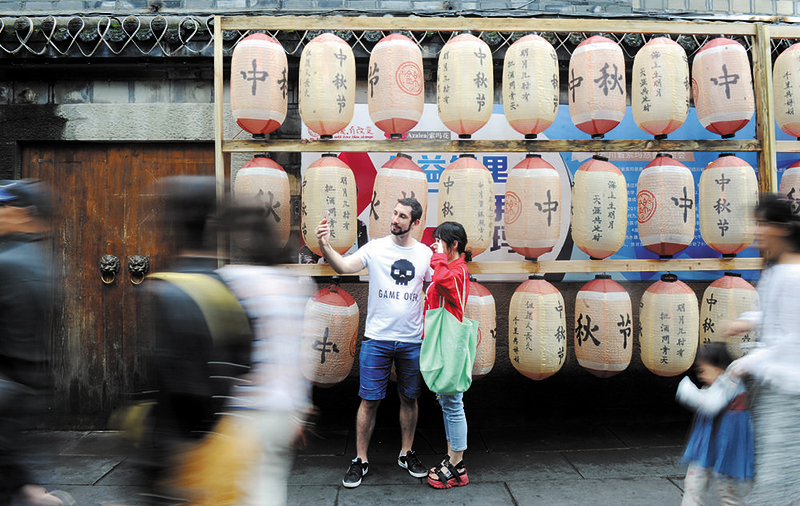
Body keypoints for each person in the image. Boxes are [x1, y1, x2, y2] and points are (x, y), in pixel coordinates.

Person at [146, 176, 253, 503]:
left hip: (181, 459)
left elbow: (170, 385)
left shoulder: (164, 290)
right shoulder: (229, 290)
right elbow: (244, 363)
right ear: (214, 224)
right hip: (223, 450)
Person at [315, 197, 432, 489]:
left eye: (403, 216)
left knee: (410, 398)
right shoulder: (376, 248)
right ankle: (361, 459)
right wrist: (326, 246)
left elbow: (439, 284)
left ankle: (406, 453)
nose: (395, 219)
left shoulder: (425, 254)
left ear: (415, 223)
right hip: (377, 339)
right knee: (369, 400)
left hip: (411, 340)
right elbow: (343, 266)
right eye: (394, 213)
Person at [217, 204, 316, 506]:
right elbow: (302, 352)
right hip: (283, 411)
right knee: (269, 486)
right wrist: (300, 408)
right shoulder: (296, 285)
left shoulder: (232, 280)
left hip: (245, 409)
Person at [722, 193, 800, 506]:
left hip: (789, 390)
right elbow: (778, 318)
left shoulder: (792, 275)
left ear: (780, 229)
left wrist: (752, 361)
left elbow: (794, 336)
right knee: (779, 471)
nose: (757, 231)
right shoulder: (780, 270)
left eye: (762, 224)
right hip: (776, 386)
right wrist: (748, 321)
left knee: (777, 480)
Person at [0, 180, 73, 506]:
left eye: (3, 208)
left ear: (24, 213)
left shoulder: (12, 263)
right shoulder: (36, 257)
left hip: (10, 386)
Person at [424, 221, 472, 490]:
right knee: (447, 401)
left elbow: (442, 282)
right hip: (443, 341)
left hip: (450, 343)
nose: (435, 246)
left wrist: (439, 257)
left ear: (454, 245)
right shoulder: (449, 267)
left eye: (440, 242)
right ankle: (452, 457)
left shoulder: (458, 270)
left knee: (453, 403)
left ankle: (457, 464)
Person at [676, 342, 753, 506]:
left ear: (718, 369)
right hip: (709, 446)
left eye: (704, 370)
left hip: (727, 448)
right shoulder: (724, 382)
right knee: (693, 485)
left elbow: (712, 404)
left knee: (727, 492)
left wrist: (687, 390)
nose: (702, 375)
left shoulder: (731, 382)